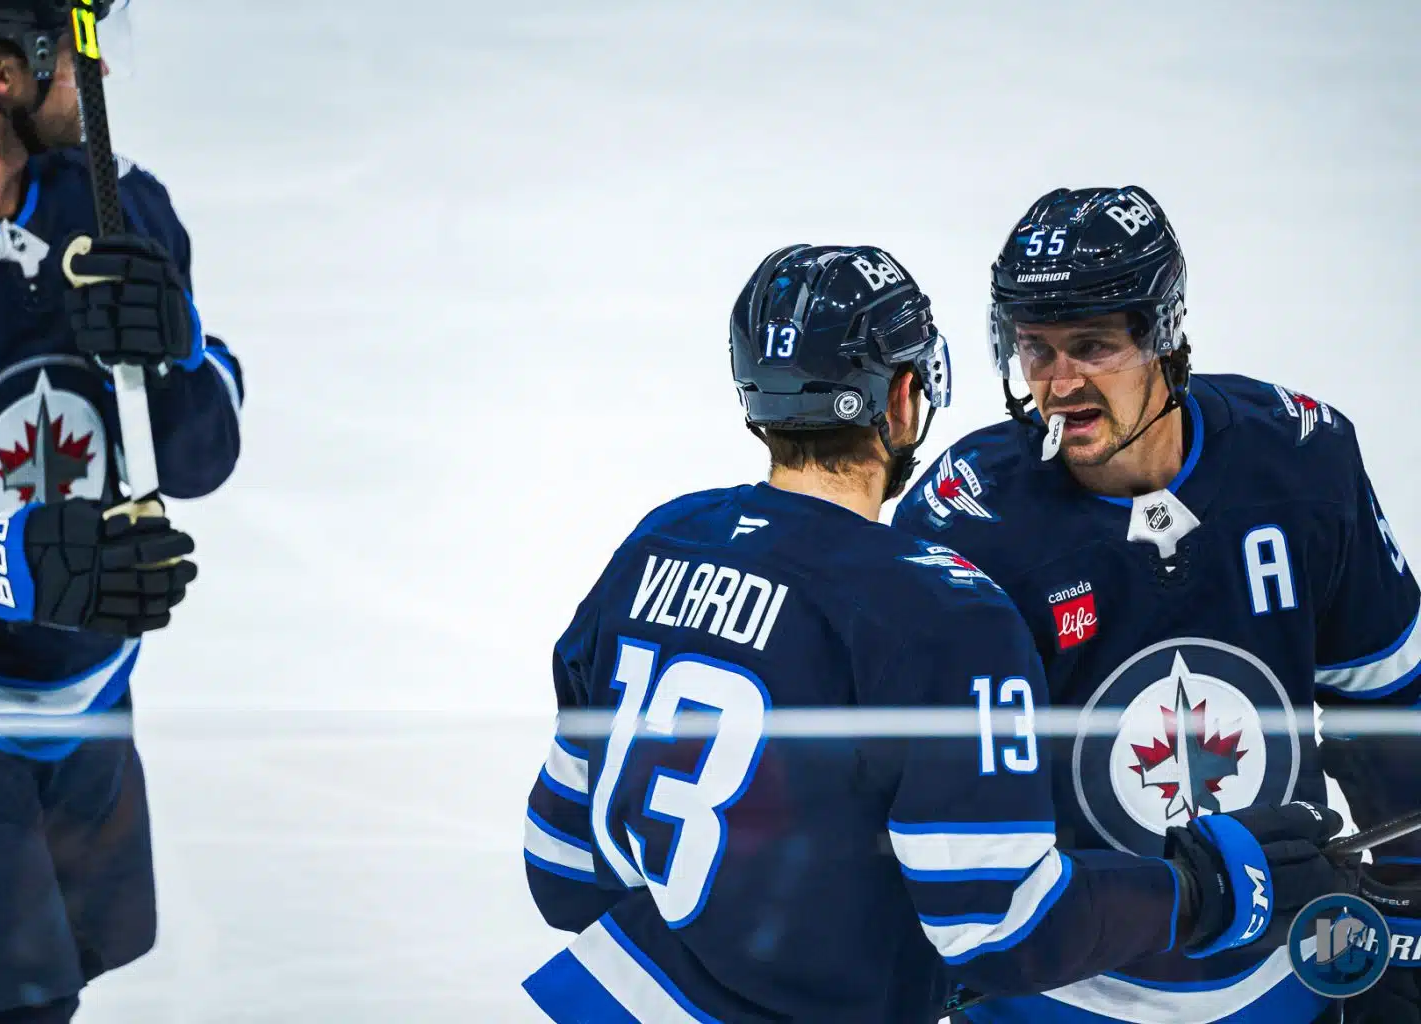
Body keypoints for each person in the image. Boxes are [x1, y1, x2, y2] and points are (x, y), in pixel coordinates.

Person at [519, 243, 1345, 1023]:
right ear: (904, 397)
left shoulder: (660, 541)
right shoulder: (943, 611)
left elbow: (560, 870)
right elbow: (1005, 930)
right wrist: (1207, 886)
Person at [892, 186, 1420, 1023]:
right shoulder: (968, 521)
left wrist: (1407, 921)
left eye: (1092, 346)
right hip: (1060, 999)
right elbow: (931, 794)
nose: (1059, 383)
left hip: (1289, 976)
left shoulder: (1302, 458)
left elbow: (1393, 704)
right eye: (1035, 350)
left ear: (1164, 336)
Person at [0, 1, 244, 1020]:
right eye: (81, 56)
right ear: (4, 71)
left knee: (69, 973)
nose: (103, 77)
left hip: (88, 707)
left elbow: (201, 458)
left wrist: (177, 351)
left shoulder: (121, 210)